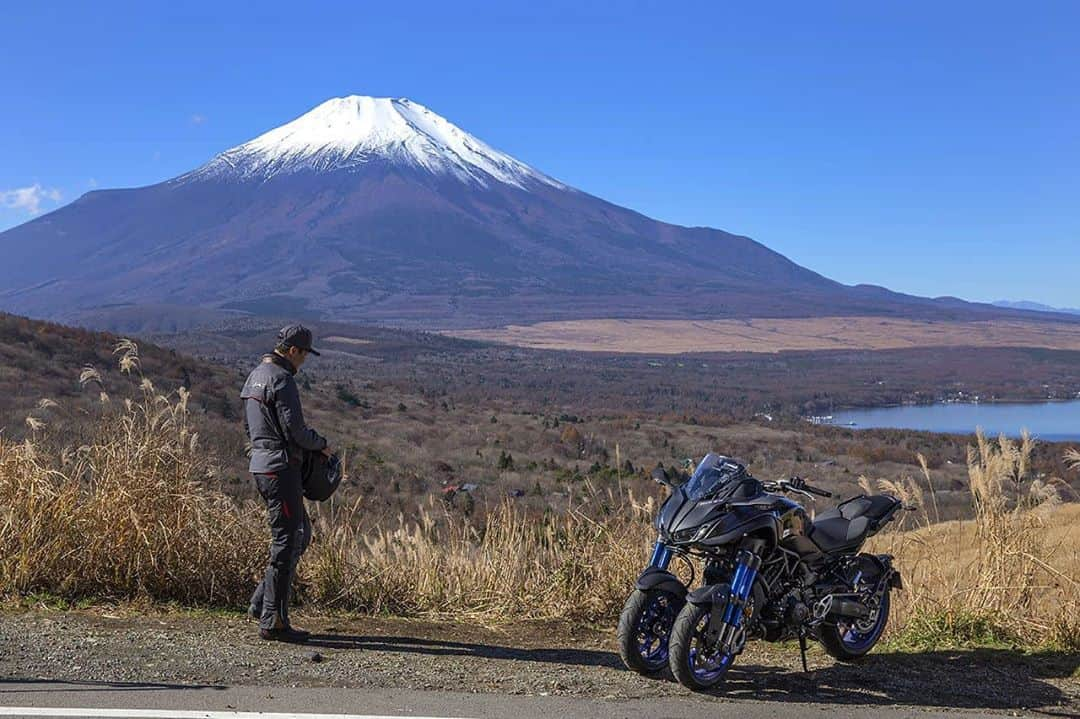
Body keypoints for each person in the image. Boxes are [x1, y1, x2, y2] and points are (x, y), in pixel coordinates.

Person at [241, 324, 332, 642]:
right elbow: (296, 431)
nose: (305, 360)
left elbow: (251, 429)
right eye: (305, 354)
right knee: (288, 541)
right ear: (294, 350)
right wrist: (321, 444)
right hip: (281, 469)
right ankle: (273, 621)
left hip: (262, 466)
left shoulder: (255, 375)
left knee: (300, 534)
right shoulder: (282, 380)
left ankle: (260, 604)